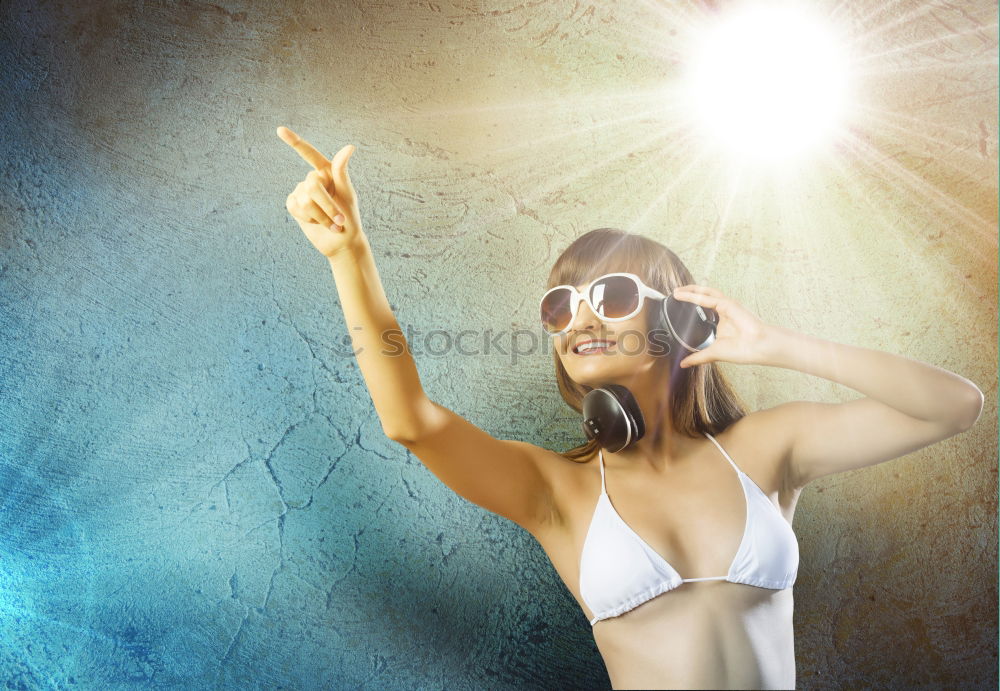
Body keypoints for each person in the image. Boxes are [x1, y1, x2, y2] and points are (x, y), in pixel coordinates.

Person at [277, 126, 985, 690]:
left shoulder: (769, 448)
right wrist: (350, 256)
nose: (578, 319)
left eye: (610, 297)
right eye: (561, 306)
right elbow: (412, 422)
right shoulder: (560, 491)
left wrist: (774, 343)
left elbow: (953, 405)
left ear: (678, 323)